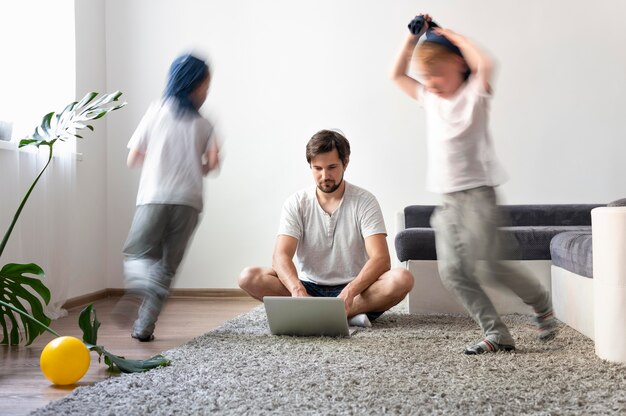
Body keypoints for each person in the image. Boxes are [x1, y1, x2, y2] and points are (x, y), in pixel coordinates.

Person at [390, 14, 557, 354]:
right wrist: (413, 39)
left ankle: (540, 300)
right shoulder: (430, 99)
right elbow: (396, 75)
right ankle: (497, 334)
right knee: (452, 272)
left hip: (479, 197)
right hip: (449, 202)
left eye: (437, 73)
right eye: (426, 75)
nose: (430, 81)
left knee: (490, 265)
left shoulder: (474, 96)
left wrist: (449, 34)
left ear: (457, 64)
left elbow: (485, 63)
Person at [238, 129, 414, 327]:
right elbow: (280, 257)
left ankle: (327, 313)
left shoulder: (365, 201)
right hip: (308, 287)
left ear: (345, 162)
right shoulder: (296, 202)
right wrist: (297, 291)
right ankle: (341, 315)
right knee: (248, 277)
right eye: (317, 168)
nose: (325, 176)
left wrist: (349, 292)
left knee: (402, 279)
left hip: (356, 291)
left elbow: (381, 260)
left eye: (332, 167)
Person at [112, 53, 220, 342]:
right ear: (193, 85)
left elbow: (132, 158)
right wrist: (197, 160)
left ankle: (138, 287)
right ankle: (144, 326)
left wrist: (159, 156)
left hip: (154, 196)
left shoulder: (155, 111)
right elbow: (212, 166)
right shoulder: (205, 124)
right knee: (167, 268)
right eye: (205, 86)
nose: (206, 92)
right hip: (189, 202)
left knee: (138, 251)